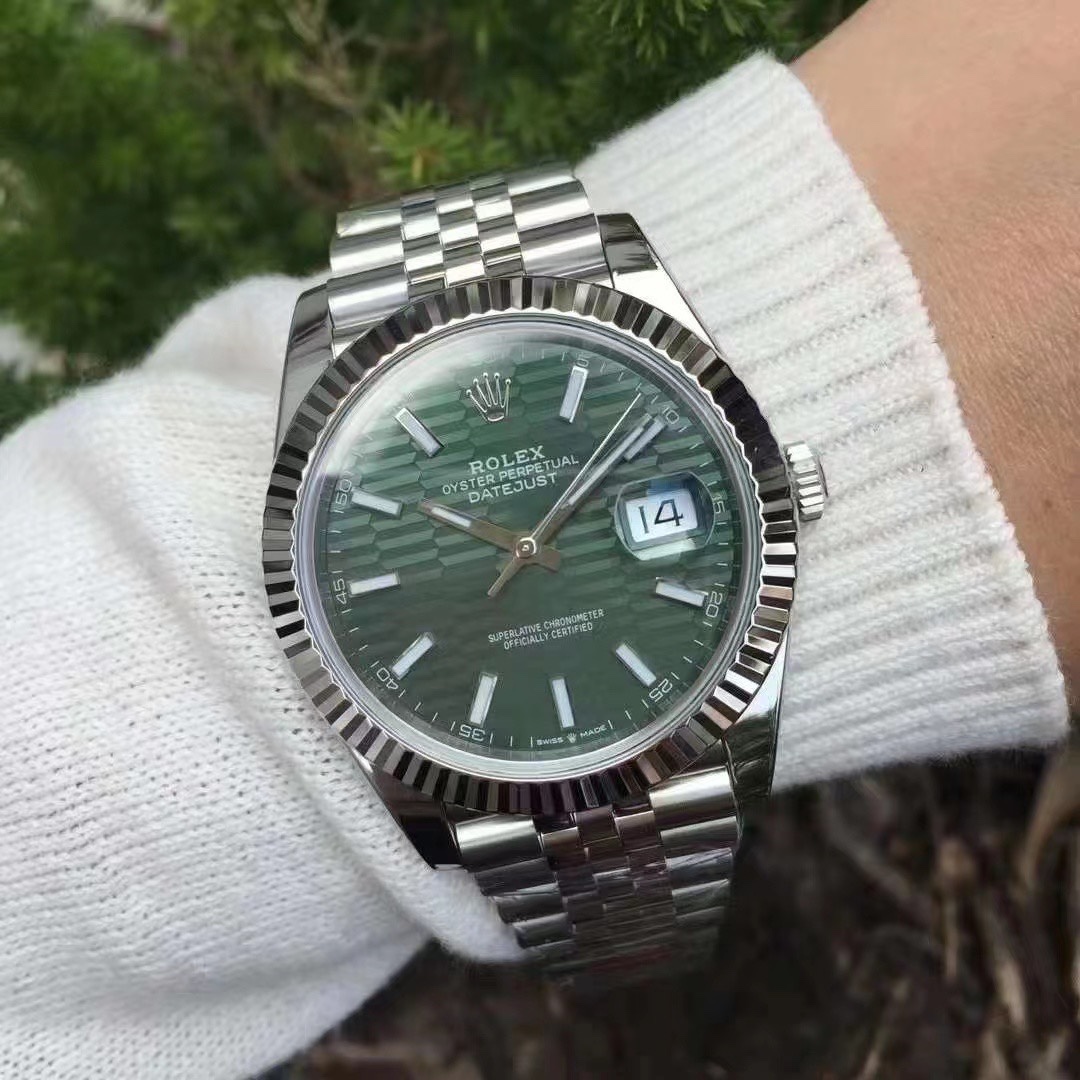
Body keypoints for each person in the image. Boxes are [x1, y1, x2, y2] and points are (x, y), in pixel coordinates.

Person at [0, 0, 1074, 1076]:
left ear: (784, 483)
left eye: (525, 545)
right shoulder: (325, 612)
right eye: (514, 548)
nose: (525, 550)